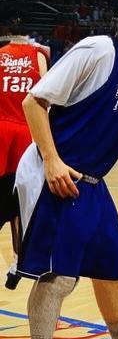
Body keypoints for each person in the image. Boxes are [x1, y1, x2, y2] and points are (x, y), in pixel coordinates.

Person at [14, 0, 118, 339]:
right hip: (58, 175)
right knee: (59, 277)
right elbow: (33, 101)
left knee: (113, 273)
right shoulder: (99, 50)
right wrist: (52, 161)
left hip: (93, 184)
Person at [0, 25, 49, 289]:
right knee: (21, 205)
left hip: (1, 133)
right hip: (27, 135)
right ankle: (19, 262)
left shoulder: (0, 55)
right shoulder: (39, 55)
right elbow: (47, 99)